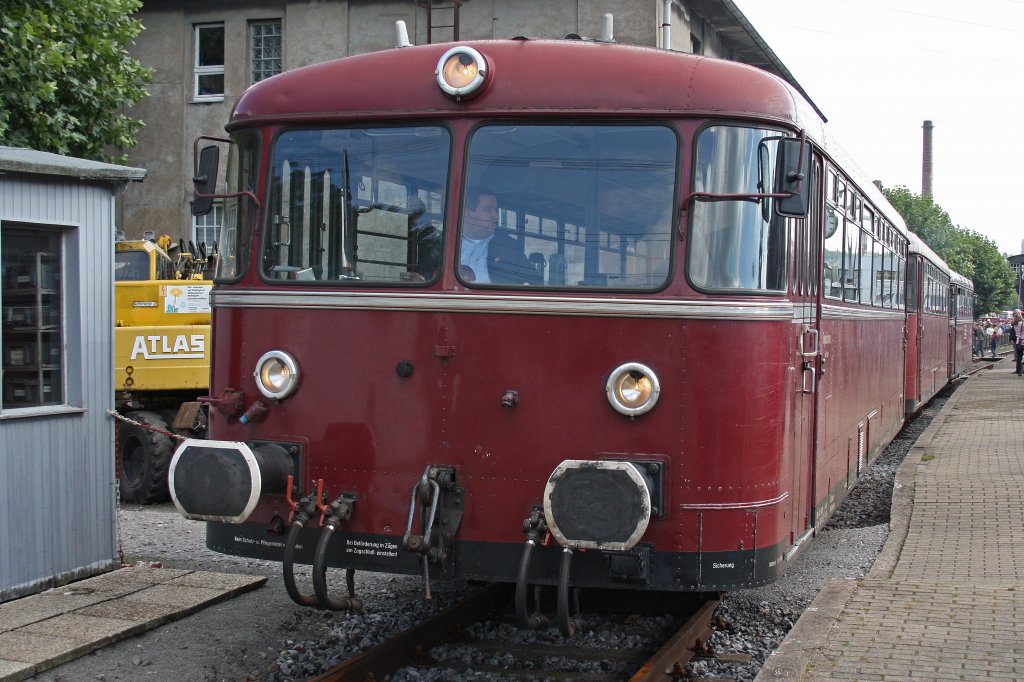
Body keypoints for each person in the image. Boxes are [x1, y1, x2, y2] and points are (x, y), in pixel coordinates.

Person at [460, 188, 540, 285]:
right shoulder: (447, 243)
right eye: (488, 210)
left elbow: (535, 280)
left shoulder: (509, 246)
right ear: (467, 213)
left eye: (495, 210)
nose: (495, 216)